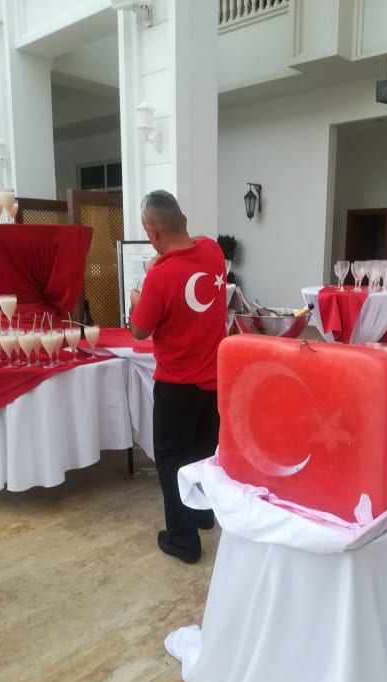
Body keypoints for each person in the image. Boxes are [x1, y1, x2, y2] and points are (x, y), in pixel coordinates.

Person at [129, 190, 227, 563]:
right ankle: (202, 515)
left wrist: (138, 300)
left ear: (152, 232)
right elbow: (192, 246)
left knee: (171, 459)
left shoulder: (158, 277)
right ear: (183, 220)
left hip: (177, 384)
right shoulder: (213, 252)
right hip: (214, 381)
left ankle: (182, 540)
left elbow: (139, 330)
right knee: (202, 453)